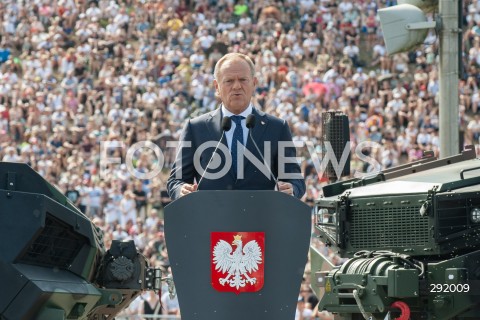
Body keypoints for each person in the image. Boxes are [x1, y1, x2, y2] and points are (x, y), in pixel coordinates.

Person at [167, 53, 305, 200]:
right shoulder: (195, 128)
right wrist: (181, 190)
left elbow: (295, 180)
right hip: (211, 219)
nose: (237, 86)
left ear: (254, 83)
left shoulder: (277, 128)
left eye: (243, 80)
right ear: (217, 87)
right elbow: (176, 180)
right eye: (229, 81)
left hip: (261, 219)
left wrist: (292, 189)